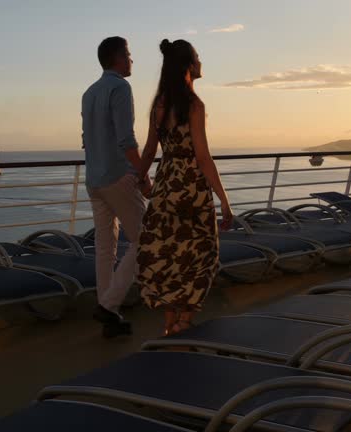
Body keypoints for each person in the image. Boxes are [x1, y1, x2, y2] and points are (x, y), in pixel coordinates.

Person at [136, 39, 233, 336]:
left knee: (168, 253)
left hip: (166, 185)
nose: (201, 63)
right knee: (202, 255)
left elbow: (150, 150)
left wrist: (142, 181)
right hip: (191, 188)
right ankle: (183, 324)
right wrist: (225, 202)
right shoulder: (194, 105)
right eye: (198, 58)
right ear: (189, 66)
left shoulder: (160, 105)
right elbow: (203, 157)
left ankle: (168, 323)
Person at [81, 36, 152, 338]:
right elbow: (127, 139)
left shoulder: (89, 92)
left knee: (105, 249)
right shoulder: (120, 88)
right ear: (117, 58)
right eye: (129, 54)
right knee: (148, 238)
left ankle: (107, 311)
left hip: (94, 180)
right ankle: (109, 306)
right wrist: (143, 174)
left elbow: (87, 139)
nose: (132, 60)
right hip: (118, 177)